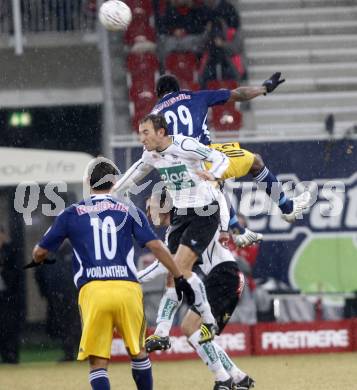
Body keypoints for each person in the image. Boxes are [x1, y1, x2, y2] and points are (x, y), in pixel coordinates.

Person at [31, 158, 195, 390]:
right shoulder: (129, 210)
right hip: (127, 288)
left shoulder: (71, 213)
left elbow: (40, 251)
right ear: (114, 182)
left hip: (94, 290)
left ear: (89, 182)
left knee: (98, 363)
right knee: (138, 353)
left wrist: (38, 258)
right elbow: (157, 247)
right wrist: (178, 275)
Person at [112, 113, 233, 344]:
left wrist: (214, 173)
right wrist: (113, 191)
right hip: (181, 215)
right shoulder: (151, 154)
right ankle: (163, 333)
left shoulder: (185, 145)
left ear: (161, 132)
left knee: (180, 267)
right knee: (172, 273)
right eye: (140, 133)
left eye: (145, 132)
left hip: (204, 213)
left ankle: (207, 319)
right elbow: (136, 171)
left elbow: (221, 158)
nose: (141, 138)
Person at [151, 73, 311, 231]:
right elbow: (239, 94)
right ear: (179, 89)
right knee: (254, 162)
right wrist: (264, 88)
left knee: (209, 190)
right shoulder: (195, 97)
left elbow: (150, 150)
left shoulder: (152, 116)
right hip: (201, 156)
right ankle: (287, 208)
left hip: (175, 172)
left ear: (159, 95)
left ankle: (234, 228)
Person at [139, 193, 255, 390]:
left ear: (165, 207)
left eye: (150, 207)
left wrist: (128, 276)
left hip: (225, 276)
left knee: (192, 328)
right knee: (192, 329)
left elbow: (161, 265)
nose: (148, 214)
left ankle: (224, 380)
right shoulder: (178, 226)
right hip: (222, 276)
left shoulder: (182, 224)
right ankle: (237, 377)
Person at [0, 226, 23, 364]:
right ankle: (3, 355)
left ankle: (12, 356)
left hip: (9, 297)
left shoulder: (12, 251)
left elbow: (17, 274)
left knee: (10, 327)